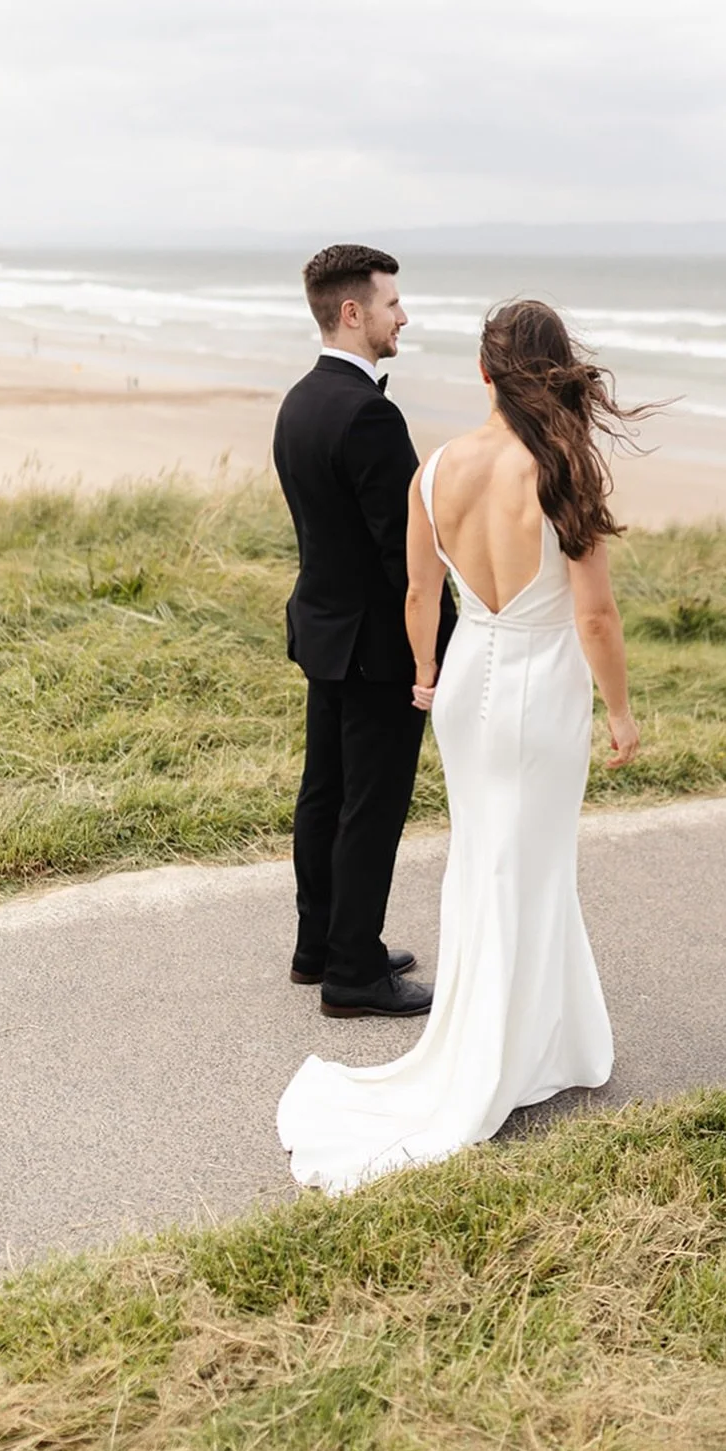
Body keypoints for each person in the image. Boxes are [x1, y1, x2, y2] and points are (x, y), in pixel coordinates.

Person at [277, 299, 646, 1192]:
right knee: (531, 860)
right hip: (538, 687)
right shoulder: (563, 469)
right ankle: (513, 1050)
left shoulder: (435, 468)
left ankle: (516, 1036)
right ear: (553, 373)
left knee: (484, 856)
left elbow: (415, 592)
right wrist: (622, 711)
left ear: (484, 373)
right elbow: (592, 614)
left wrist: (424, 673)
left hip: (467, 677)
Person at [271, 244, 455, 1017]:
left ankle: (320, 945)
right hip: (377, 646)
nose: (401, 315)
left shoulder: (299, 401)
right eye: (390, 303)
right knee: (369, 805)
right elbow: (406, 555)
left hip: (322, 631)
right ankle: (353, 972)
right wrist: (439, 647)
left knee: (325, 794)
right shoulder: (370, 415)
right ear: (353, 312)